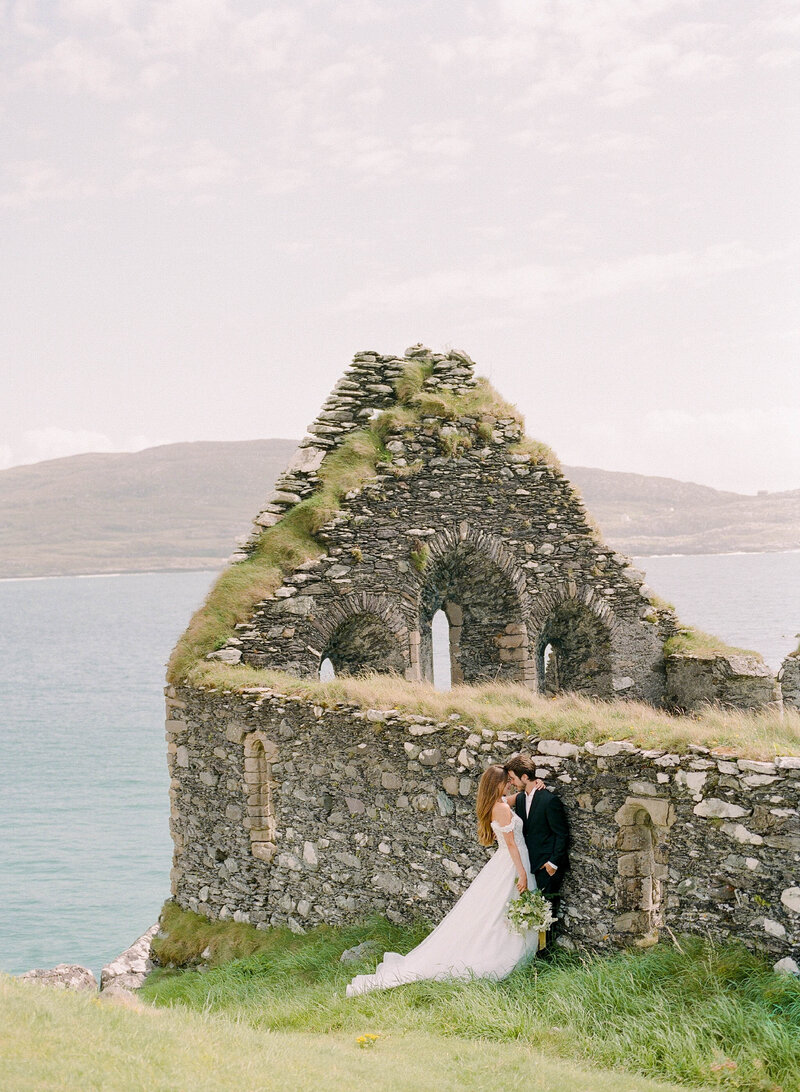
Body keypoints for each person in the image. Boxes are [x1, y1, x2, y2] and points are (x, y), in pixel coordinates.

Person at [345, 764, 541, 996]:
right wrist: (521, 873)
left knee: (500, 910)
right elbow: (510, 845)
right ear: (497, 784)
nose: (509, 784)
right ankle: (501, 954)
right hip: (511, 863)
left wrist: (532, 790)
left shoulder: (497, 803)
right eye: (506, 781)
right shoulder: (500, 808)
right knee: (501, 911)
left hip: (506, 862)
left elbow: (514, 799)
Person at [503, 754, 570, 955]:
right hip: (528, 863)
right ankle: (530, 952)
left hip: (546, 867)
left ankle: (545, 955)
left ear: (525, 777)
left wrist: (552, 864)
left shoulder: (550, 800)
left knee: (547, 911)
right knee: (531, 909)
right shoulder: (521, 798)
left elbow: (562, 834)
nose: (511, 783)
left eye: (513, 779)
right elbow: (495, 801)